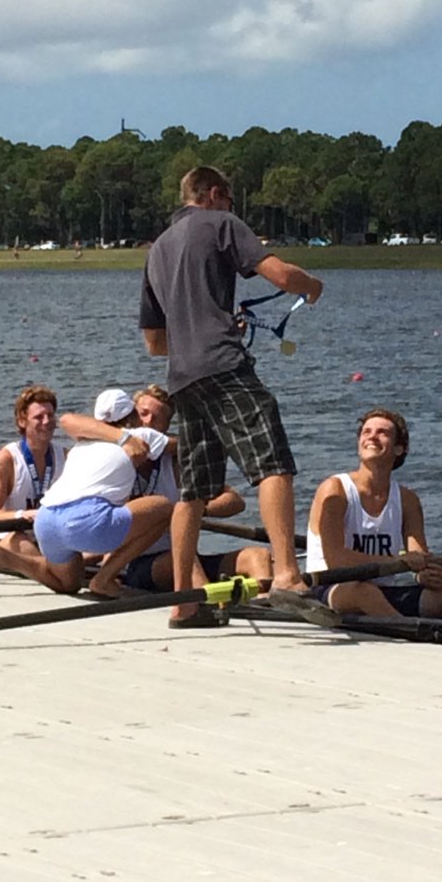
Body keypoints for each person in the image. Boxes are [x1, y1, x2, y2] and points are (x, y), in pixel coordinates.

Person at [139, 164, 331, 627]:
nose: (231, 207)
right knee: (273, 462)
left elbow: (155, 343)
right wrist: (312, 286)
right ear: (214, 194)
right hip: (224, 366)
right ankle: (287, 575)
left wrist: (212, 325)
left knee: (194, 491)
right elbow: (280, 275)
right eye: (229, 199)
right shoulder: (221, 223)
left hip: (183, 378)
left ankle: (184, 602)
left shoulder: (157, 250)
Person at [306, 408, 442, 622]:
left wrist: (427, 574)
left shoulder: (407, 500)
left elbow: (418, 556)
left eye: (382, 432)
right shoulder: (335, 489)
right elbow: (336, 560)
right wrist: (398, 560)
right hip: (331, 588)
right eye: (366, 432)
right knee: (364, 592)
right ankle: (410, 633)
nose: (372, 437)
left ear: (399, 449)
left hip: (383, 592)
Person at [124, 384, 272, 593]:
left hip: (184, 559)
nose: (148, 422)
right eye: (144, 413)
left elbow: (234, 501)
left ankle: (263, 603)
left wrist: (192, 512)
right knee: (182, 558)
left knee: (258, 556)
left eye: (158, 418)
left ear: (166, 425)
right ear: (131, 417)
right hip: (136, 564)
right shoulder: (115, 458)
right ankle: (209, 601)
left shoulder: (175, 462)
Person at [33, 388, 174, 601]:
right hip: (87, 522)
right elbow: (183, 446)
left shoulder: (83, 439)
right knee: (164, 507)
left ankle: (5, 558)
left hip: (46, 520)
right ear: (132, 416)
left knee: (68, 583)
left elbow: (69, 420)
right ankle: (104, 579)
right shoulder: (141, 435)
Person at [0, 385, 78, 597]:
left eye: (50, 415)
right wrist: (21, 515)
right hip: (16, 538)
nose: (46, 422)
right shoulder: (6, 460)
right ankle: (0, 555)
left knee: (74, 576)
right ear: (22, 421)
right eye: (38, 417)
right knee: (69, 584)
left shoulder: (67, 456)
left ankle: (1, 560)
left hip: (48, 538)